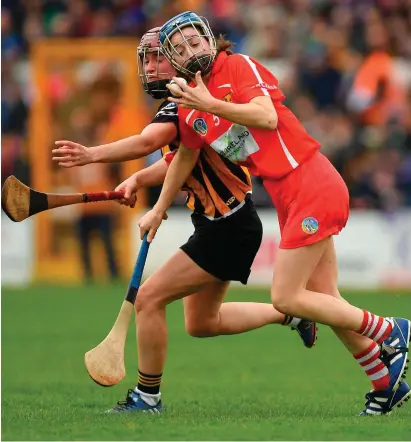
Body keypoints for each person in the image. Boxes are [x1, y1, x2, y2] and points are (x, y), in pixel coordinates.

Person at [137, 12, 411, 416]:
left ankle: (389, 329)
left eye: (195, 41)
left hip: (311, 182)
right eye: (179, 49)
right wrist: (158, 206)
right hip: (289, 197)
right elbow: (185, 158)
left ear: (211, 40)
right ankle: (386, 384)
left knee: (286, 296)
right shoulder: (192, 105)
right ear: (173, 61)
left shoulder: (238, 66)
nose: (190, 50)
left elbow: (265, 115)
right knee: (322, 299)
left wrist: (211, 103)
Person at [52, 27, 316, 414]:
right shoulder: (186, 96)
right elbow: (180, 159)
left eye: (158, 57)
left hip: (228, 225)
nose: (151, 65)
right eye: (147, 58)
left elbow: (147, 142)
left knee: (148, 299)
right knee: (202, 322)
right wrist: (141, 180)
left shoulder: (185, 96)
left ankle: (147, 397)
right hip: (221, 222)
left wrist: (91, 155)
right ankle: (291, 314)